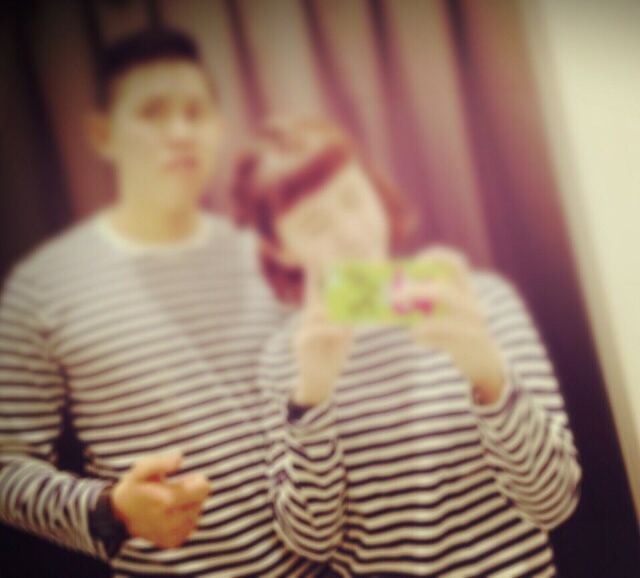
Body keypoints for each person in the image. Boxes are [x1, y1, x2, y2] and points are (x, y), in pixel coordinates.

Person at [0, 29, 322, 577]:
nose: (179, 132)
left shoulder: (272, 254)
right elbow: (7, 465)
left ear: (219, 128)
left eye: (195, 112)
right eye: (152, 113)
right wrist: (111, 512)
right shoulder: (43, 285)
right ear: (103, 134)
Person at [233, 116, 582, 577]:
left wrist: (488, 375)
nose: (350, 233)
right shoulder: (286, 358)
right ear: (280, 249)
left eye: (353, 199)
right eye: (316, 224)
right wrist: (312, 397)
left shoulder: (482, 302)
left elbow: (555, 502)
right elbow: (313, 542)